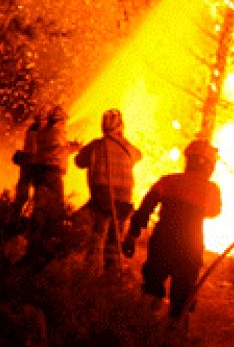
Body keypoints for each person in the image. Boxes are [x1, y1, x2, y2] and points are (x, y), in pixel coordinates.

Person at [124, 138, 222, 322]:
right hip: (190, 246)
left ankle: (143, 325)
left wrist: (133, 233)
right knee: (183, 292)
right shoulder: (211, 189)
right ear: (209, 166)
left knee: (152, 284)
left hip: (163, 241)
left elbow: (146, 207)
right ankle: (175, 332)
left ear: (188, 160)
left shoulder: (169, 181)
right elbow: (214, 212)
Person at [74, 109, 142, 271]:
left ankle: (88, 268)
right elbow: (139, 155)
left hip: (102, 194)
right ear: (121, 126)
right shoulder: (128, 148)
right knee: (114, 234)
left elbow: (79, 161)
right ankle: (112, 270)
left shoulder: (97, 145)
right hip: (124, 199)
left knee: (93, 228)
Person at [27, 106, 77, 226]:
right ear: (59, 121)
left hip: (39, 170)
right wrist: (74, 148)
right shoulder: (57, 132)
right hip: (52, 171)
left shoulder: (43, 131)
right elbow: (58, 151)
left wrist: (68, 146)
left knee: (40, 204)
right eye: (64, 121)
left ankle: (36, 229)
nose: (65, 124)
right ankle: (54, 230)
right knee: (57, 203)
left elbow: (51, 149)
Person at [11, 114, 43, 218]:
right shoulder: (37, 133)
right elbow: (50, 149)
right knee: (37, 195)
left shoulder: (33, 131)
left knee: (24, 195)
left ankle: (16, 216)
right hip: (32, 166)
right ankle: (20, 218)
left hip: (29, 165)